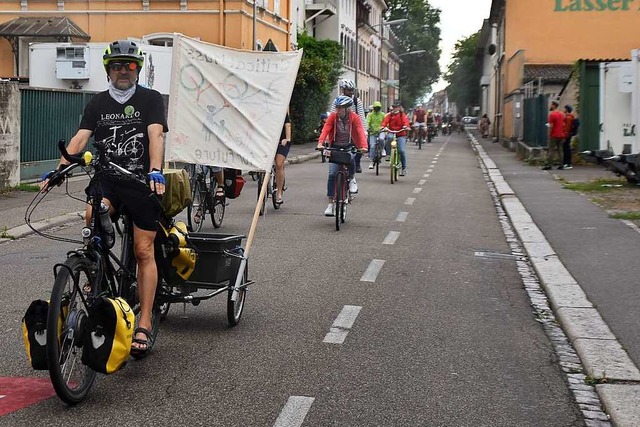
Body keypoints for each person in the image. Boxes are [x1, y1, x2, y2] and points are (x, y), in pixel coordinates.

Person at [40, 40, 168, 358]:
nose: (123, 71)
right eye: (116, 66)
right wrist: (57, 171)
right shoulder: (98, 102)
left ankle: (146, 322)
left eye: (130, 65)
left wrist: (155, 171)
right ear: (108, 69)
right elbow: (81, 137)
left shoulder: (150, 99)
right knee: (92, 214)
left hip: (141, 183)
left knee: (143, 251)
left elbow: (156, 135)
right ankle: (96, 267)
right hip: (108, 181)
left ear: (137, 68)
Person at [317, 95, 368, 216]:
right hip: (334, 146)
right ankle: (330, 204)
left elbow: (360, 131)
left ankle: (351, 178)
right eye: (337, 108)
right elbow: (326, 129)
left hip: (349, 145)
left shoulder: (354, 117)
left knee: (352, 158)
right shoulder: (333, 117)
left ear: (347, 109)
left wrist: (364, 146)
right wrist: (320, 142)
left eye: (340, 108)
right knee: (332, 174)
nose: (338, 110)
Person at [329, 79, 366, 172]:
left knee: (358, 147)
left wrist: (364, 131)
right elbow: (333, 115)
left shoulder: (357, 101)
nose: (350, 92)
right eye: (348, 90)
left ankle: (356, 163)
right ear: (343, 90)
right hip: (340, 128)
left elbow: (361, 117)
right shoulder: (337, 100)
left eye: (351, 90)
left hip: (353, 128)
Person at [380, 100, 411, 176]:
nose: (395, 108)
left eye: (396, 107)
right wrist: (383, 127)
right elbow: (385, 121)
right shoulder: (389, 115)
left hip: (401, 134)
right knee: (389, 138)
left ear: (399, 108)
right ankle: (388, 154)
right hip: (392, 132)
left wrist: (405, 126)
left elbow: (405, 121)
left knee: (402, 151)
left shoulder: (402, 115)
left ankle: (403, 168)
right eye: (393, 107)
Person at [274, 111, 292, 204]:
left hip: (282, 140)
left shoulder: (281, 109)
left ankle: (279, 192)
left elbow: (287, 125)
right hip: (269, 140)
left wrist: (287, 138)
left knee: (279, 163)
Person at [543, 101, 565, 170]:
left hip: (554, 135)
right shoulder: (562, 114)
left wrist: (549, 134)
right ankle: (561, 164)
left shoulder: (552, 114)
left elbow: (551, 125)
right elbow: (563, 124)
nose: (551, 106)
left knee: (551, 150)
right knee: (560, 150)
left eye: (551, 105)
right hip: (561, 134)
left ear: (554, 105)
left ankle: (549, 165)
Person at [366, 101, 386, 169]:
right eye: (376, 107)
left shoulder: (383, 114)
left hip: (381, 131)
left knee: (381, 139)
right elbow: (367, 122)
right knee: (372, 146)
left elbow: (386, 122)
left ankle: (382, 149)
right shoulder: (370, 115)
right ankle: (371, 161)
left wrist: (385, 128)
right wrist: (368, 128)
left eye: (378, 108)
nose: (377, 109)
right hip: (372, 132)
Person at [562, 105, 579, 170]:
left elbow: (567, 127)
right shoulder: (571, 116)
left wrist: (565, 134)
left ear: (567, 109)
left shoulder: (568, 117)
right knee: (566, 148)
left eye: (565, 108)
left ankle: (567, 163)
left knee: (566, 148)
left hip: (567, 135)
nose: (564, 109)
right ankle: (567, 163)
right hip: (569, 134)